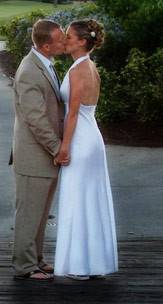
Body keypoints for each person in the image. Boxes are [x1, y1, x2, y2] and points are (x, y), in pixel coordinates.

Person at [53, 19, 119, 280]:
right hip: (91, 136)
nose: (65, 40)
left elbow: (72, 115)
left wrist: (64, 148)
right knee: (89, 199)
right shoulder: (90, 66)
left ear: (82, 41)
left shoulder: (78, 70)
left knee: (79, 198)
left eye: (69, 36)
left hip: (80, 139)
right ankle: (94, 263)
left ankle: (80, 265)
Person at [9, 19, 69, 281]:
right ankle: (25, 266)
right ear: (46, 45)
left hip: (44, 157)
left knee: (41, 214)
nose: (65, 42)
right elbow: (36, 119)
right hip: (34, 156)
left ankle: (38, 259)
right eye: (60, 40)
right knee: (29, 214)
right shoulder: (29, 72)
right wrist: (58, 149)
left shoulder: (44, 63)